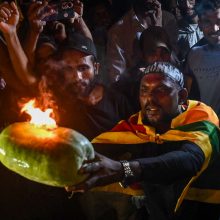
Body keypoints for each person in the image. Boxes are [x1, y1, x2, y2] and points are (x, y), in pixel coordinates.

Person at [66, 62, 220, 220]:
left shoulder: (202, 119)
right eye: (144, 91)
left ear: (181, 96)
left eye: (161, 90)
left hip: (203, 211)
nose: (150, 99)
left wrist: (123, 169)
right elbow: (91, 152)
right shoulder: (135, 127)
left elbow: (190, 159)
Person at [106, 0, 178, 82]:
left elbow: (175, 65)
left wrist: (158, 31)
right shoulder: (118, 31)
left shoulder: (168, 20)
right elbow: (116, 78)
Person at [184, 0, 220, 116]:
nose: (215, 28)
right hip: (205, 126)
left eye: (219, 21)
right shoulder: (194, 54)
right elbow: (189, 97)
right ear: (199, 24)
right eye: (207, 22)